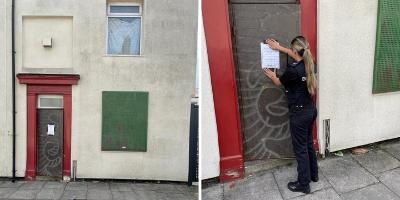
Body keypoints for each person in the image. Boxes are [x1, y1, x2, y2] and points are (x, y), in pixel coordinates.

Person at [263, 36, 318, 194]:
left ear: (295, 51)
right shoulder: (310, 62)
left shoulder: (293, 70)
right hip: (310, 110)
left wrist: (274, 77)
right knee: (308, 145)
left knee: (301, 149)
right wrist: (279, 48)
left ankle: (303, 184)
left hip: (299, 115)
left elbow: (279, 82)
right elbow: (297, 54)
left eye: (291, 49)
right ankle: (313, 175)